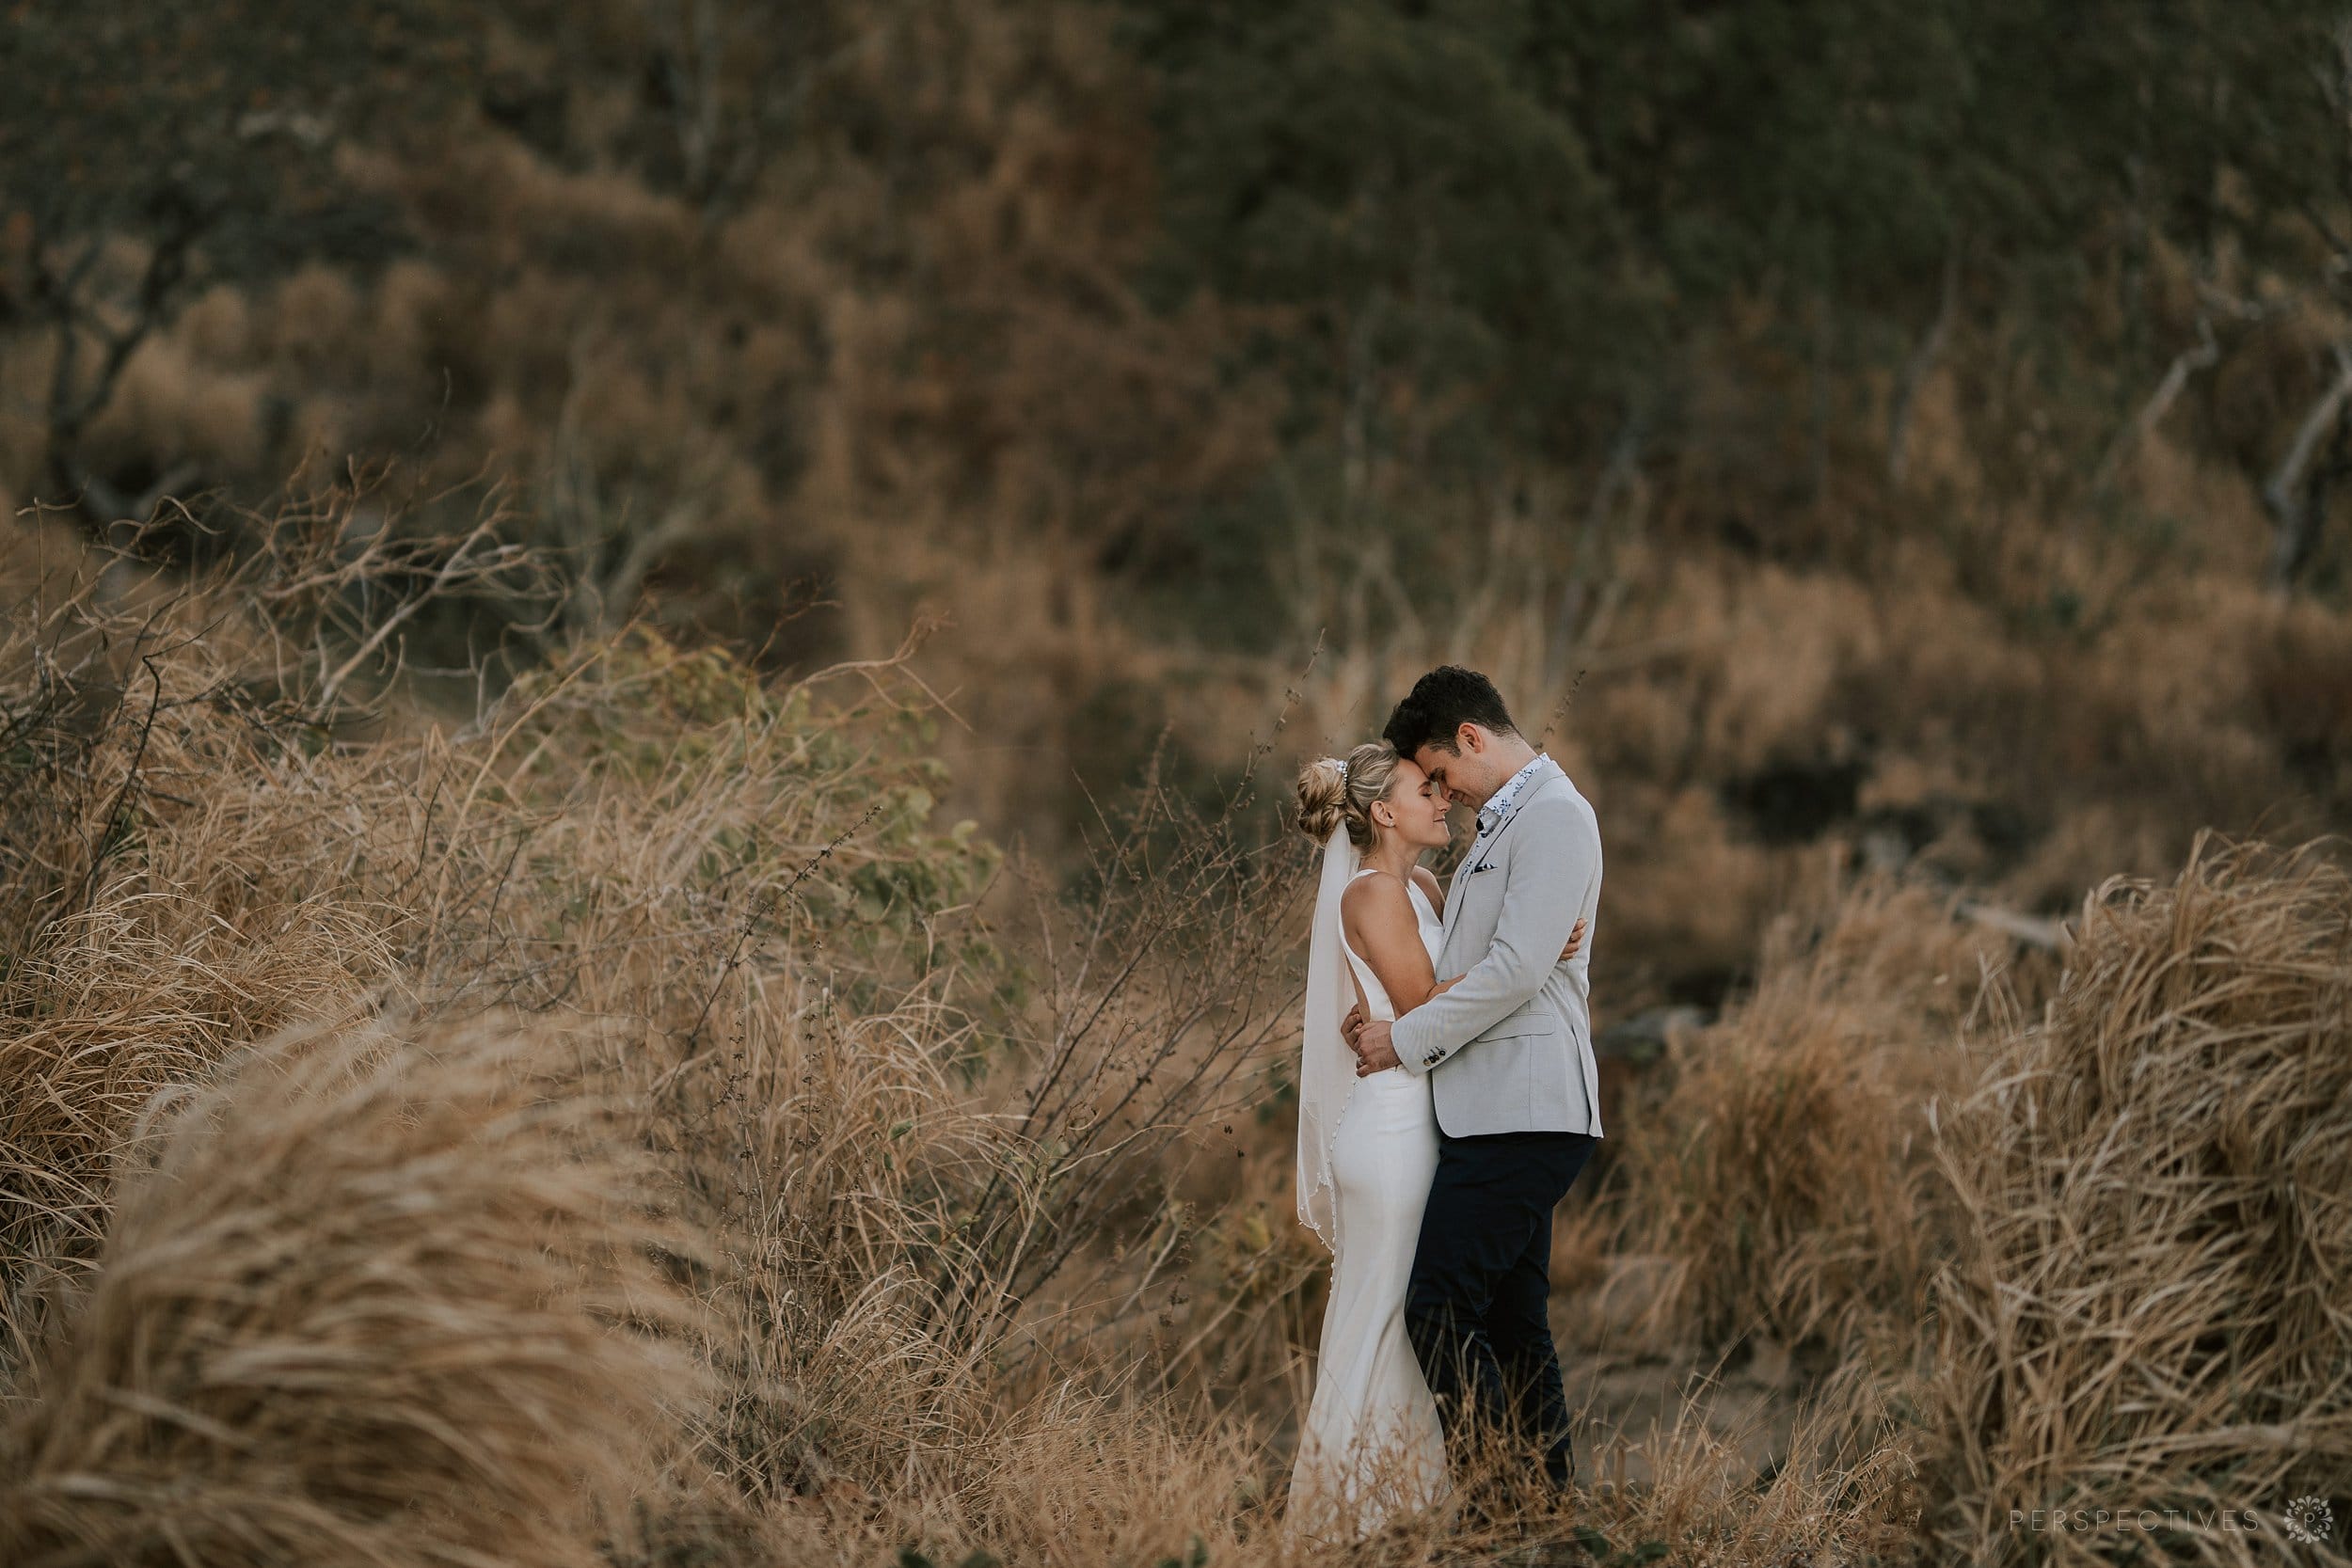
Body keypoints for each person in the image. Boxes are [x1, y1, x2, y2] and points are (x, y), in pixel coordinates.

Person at [1287, 736, 1585, 1541]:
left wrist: (1523, 945)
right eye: (1427, 787)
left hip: (1426, 1116)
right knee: (1391, 1316)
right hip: (1390, 1131)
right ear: (1384, 810)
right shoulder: (1370, 895)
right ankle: (1349, 1517)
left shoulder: (1417, 881)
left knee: (1416, 1316)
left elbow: (1449, 978)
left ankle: (1411, 1504)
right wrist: (1527, 953)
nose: (1443, 795)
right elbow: (1427, 999)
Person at [1343, 665, 1605, 1505]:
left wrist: (1403, 1037)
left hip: (1525, 1107)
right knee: (1514, 1324)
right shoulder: (1506, 823)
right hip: (1493, 1106)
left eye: (1443, 773)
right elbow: (1480, 960)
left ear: (1471, 739)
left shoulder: (1554, 816)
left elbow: (1517, 970)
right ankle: (1551, 1514)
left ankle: (1499, 1501)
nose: (1445, 795)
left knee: (1437, 1309)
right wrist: (1376, 1008)